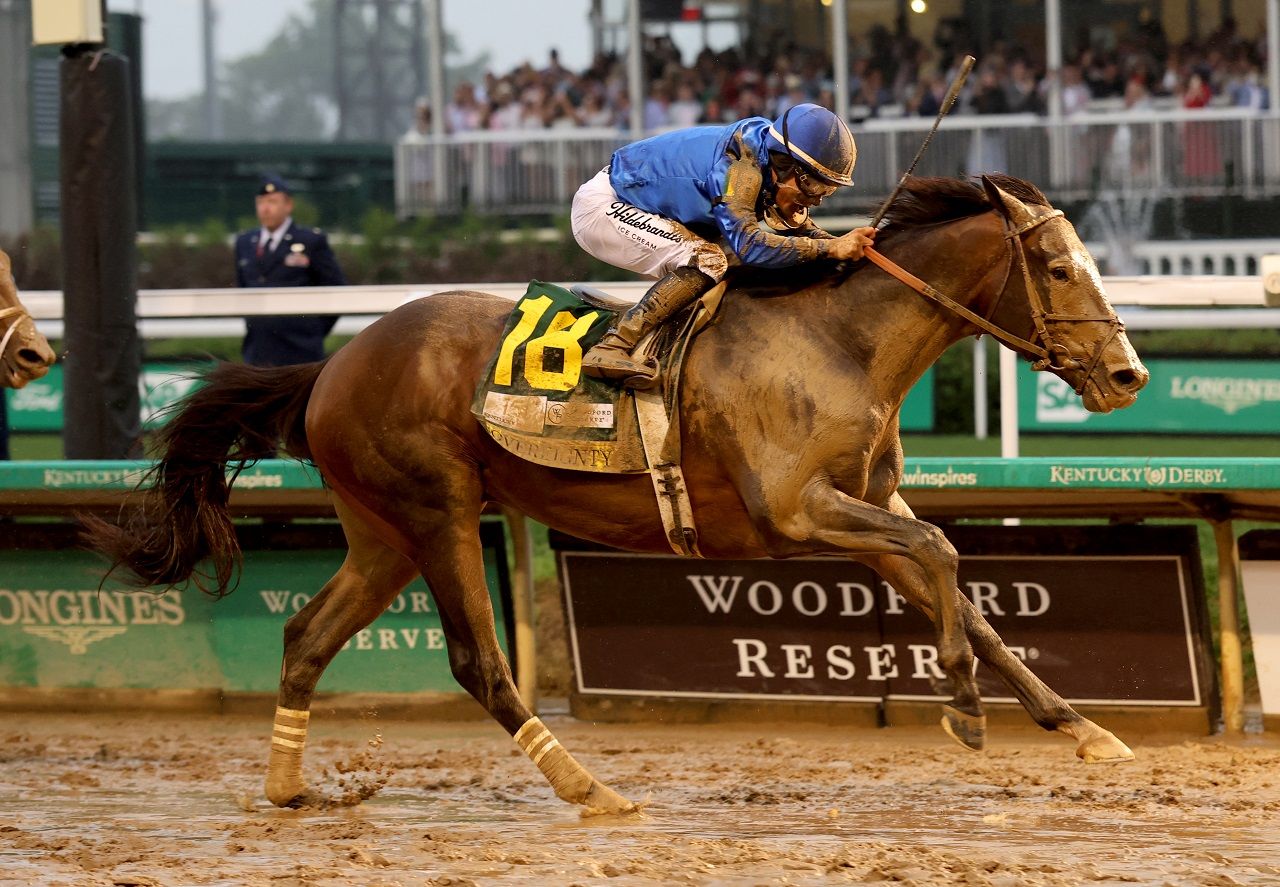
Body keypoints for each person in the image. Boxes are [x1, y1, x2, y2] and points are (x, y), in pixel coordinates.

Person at [571, 102, 875, 386]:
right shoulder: (739, 169)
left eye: (828, 190)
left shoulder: (768, 160)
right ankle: (612, 346)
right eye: (812, 185)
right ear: (784, 164)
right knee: (710, 260)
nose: (817, 199)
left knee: (732, 263)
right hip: (604, 206)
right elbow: (751, 245)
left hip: (647, 207)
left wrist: (855, 248)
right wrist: (831, 248)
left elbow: (806, 234)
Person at [235, 174, 347, 367]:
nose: (265, 208)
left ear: (288, 205)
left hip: (300, 351)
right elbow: (243, 289)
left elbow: (336, 289)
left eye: (272, 201)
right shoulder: (245, 242)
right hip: (258, 351)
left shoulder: (311, 241)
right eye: (261, 202)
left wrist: (312, 331)